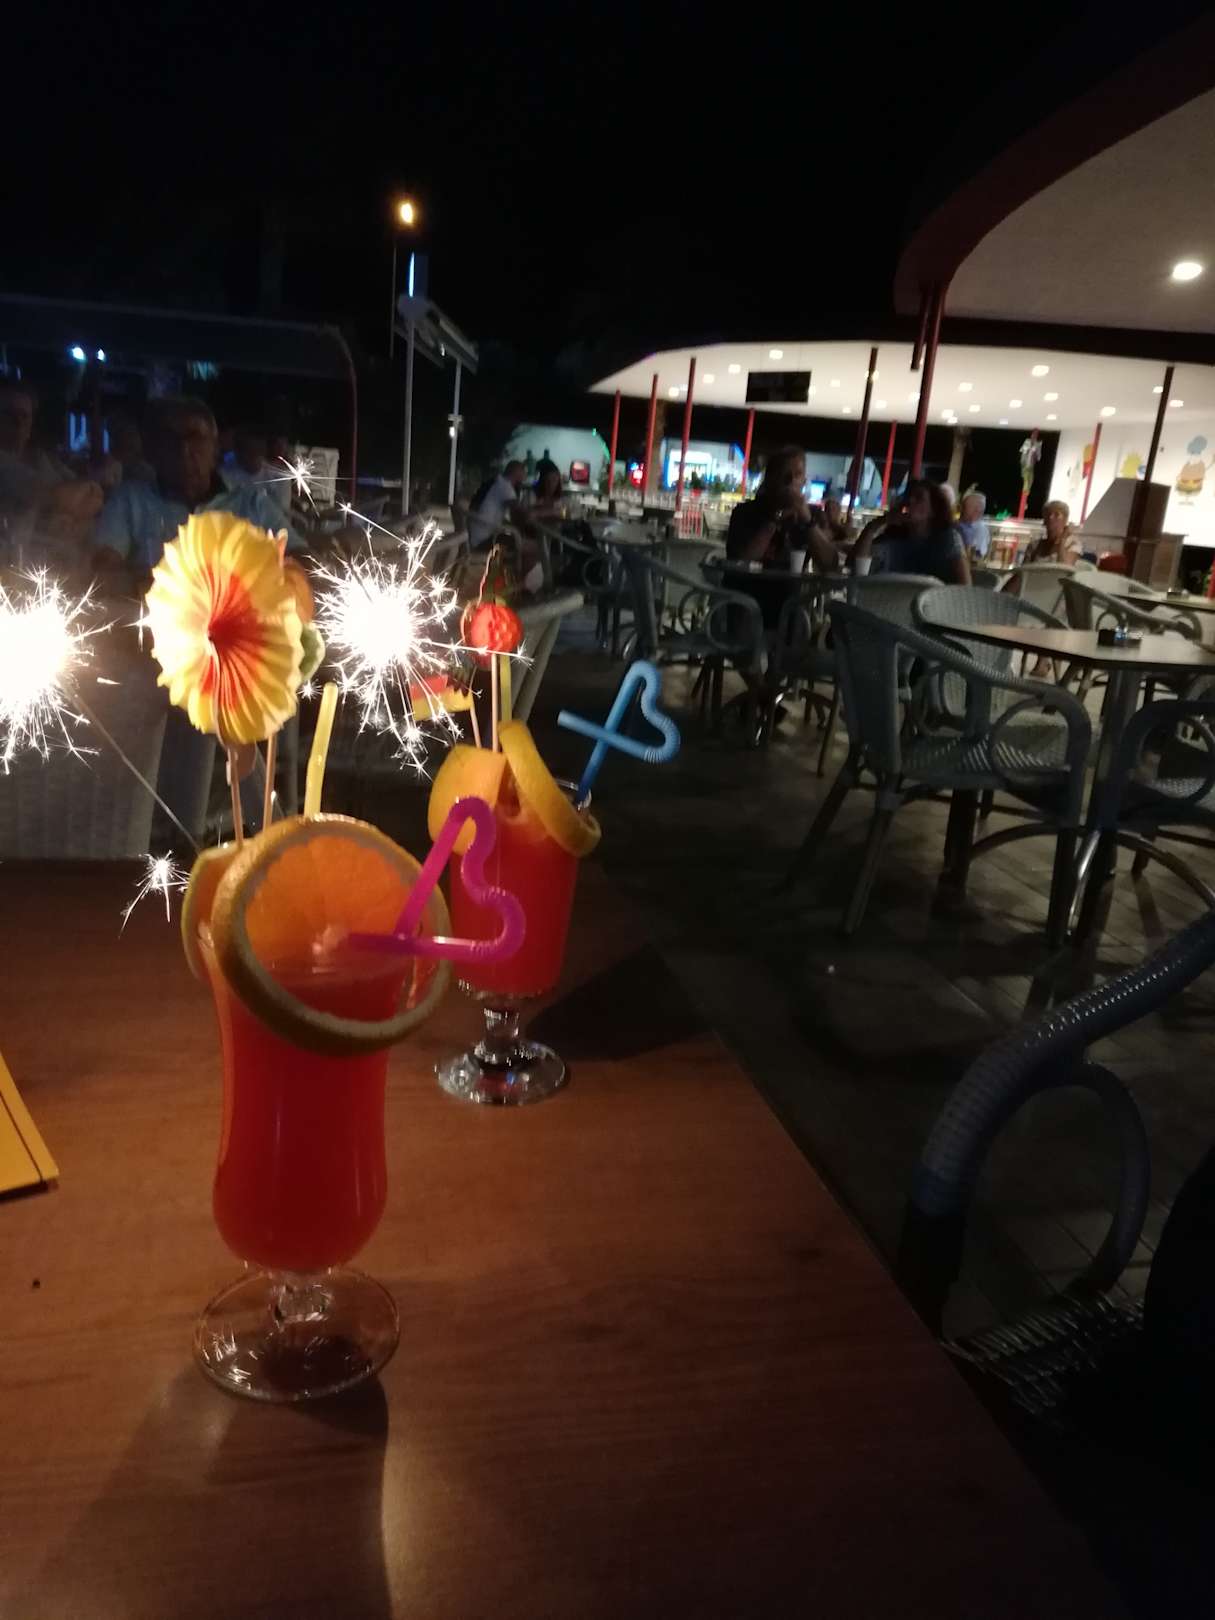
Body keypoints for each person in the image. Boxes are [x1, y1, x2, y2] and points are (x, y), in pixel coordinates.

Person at [92, 396, 301, 579]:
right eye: (171, 440)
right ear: (154, 451)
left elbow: (301, 556)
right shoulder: (129, 501)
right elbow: (103, 569)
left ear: (214, 448)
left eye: (195, 438)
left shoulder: (253, 504)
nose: (184, 450)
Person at [0, 379, 102, 567]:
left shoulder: (43, 460)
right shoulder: (7, 467)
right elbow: (61, 494)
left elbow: (92, 496)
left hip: (52, 566)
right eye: (9, 415)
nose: (18, 423)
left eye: (24, 416)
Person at [853, 480, 970, 585]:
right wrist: (873, 526)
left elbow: (965, 587)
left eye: (919, 498)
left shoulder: (948, 538)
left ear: (933, 511)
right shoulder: (893, 537)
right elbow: (857, 569)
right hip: (887, 601)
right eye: (908, 497)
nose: (910, 500)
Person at [1025, 499, 1082, 565]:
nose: (1051, 517)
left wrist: (1062, 541)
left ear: (1065, 520)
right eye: (1048, 514)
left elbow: (1065, 567)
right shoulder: (1034, 545)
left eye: (1056, 515)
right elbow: (1024, 568)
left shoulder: (1072, 544)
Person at [956, 489, 991, 559]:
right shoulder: (953, 527)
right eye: (973, 506)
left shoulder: (982, 529)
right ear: (962, 508)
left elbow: (980, 554)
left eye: (981, 507)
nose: (978, 510)